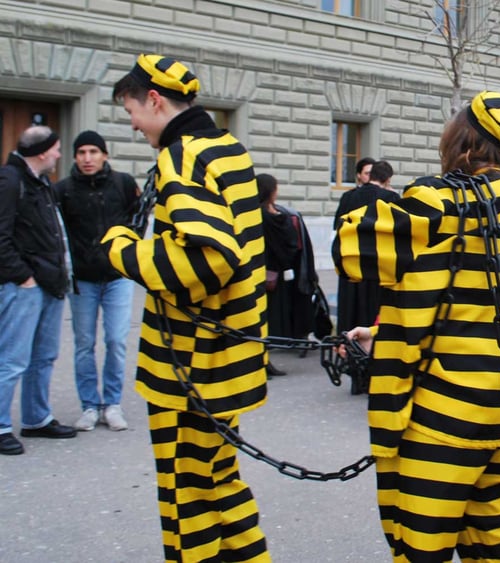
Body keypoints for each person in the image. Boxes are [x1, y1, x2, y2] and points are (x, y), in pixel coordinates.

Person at [333, 91, 500, 561]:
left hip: (441, 415)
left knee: (420, 545)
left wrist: (389, 191)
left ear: (462, 141)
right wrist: (381, 332)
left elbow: (349, 249)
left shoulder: (439, 200)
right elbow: (471, 300)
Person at [102, 54, 269, 562]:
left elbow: (207, 262)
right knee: (220, 482)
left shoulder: (183, 156)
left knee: (186, 494)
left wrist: (119, 247)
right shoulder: (226, 146)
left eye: (131, 109)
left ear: (153, 100)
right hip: (227, 357)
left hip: (189, 366)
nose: (131, 123)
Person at [54, 130, 140, 432]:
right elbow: (56, 231)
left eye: (93, 152)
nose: (87, 158)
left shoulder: (123, 184)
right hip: (83, 280)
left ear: (104, 155)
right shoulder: (63, 190)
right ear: (75, 157)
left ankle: (112, 403)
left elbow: (139, 219)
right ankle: (90, 405)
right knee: (84, 344)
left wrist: (132, 255)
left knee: (116, 341)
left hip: (117, 277)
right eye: (81, 153)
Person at [0, 125, 76, 456]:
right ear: (43, 151)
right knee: (13, 359)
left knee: (43, 357)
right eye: (57, 149)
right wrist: (22, 278)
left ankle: (36, 418)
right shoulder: (10, 181)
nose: (60, 155)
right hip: (25, 286)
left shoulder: (40, 181)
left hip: (49, 284)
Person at [333, 159, 400, 394]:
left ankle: (354, 375)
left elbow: (338, 229)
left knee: (352, 320)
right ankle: (374, 375)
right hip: (377, 272)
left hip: (351, 271)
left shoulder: (349, 197)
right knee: (373, 322)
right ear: (388, 179)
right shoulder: (391, 199)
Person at [257, 173, 299, 377]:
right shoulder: (267, 215)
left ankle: (263, 360)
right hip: (269, 272)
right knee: (264, 317)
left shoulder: (260, 213)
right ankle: (261, 361)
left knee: (266, 317)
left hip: (267, 271)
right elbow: (287, 238)